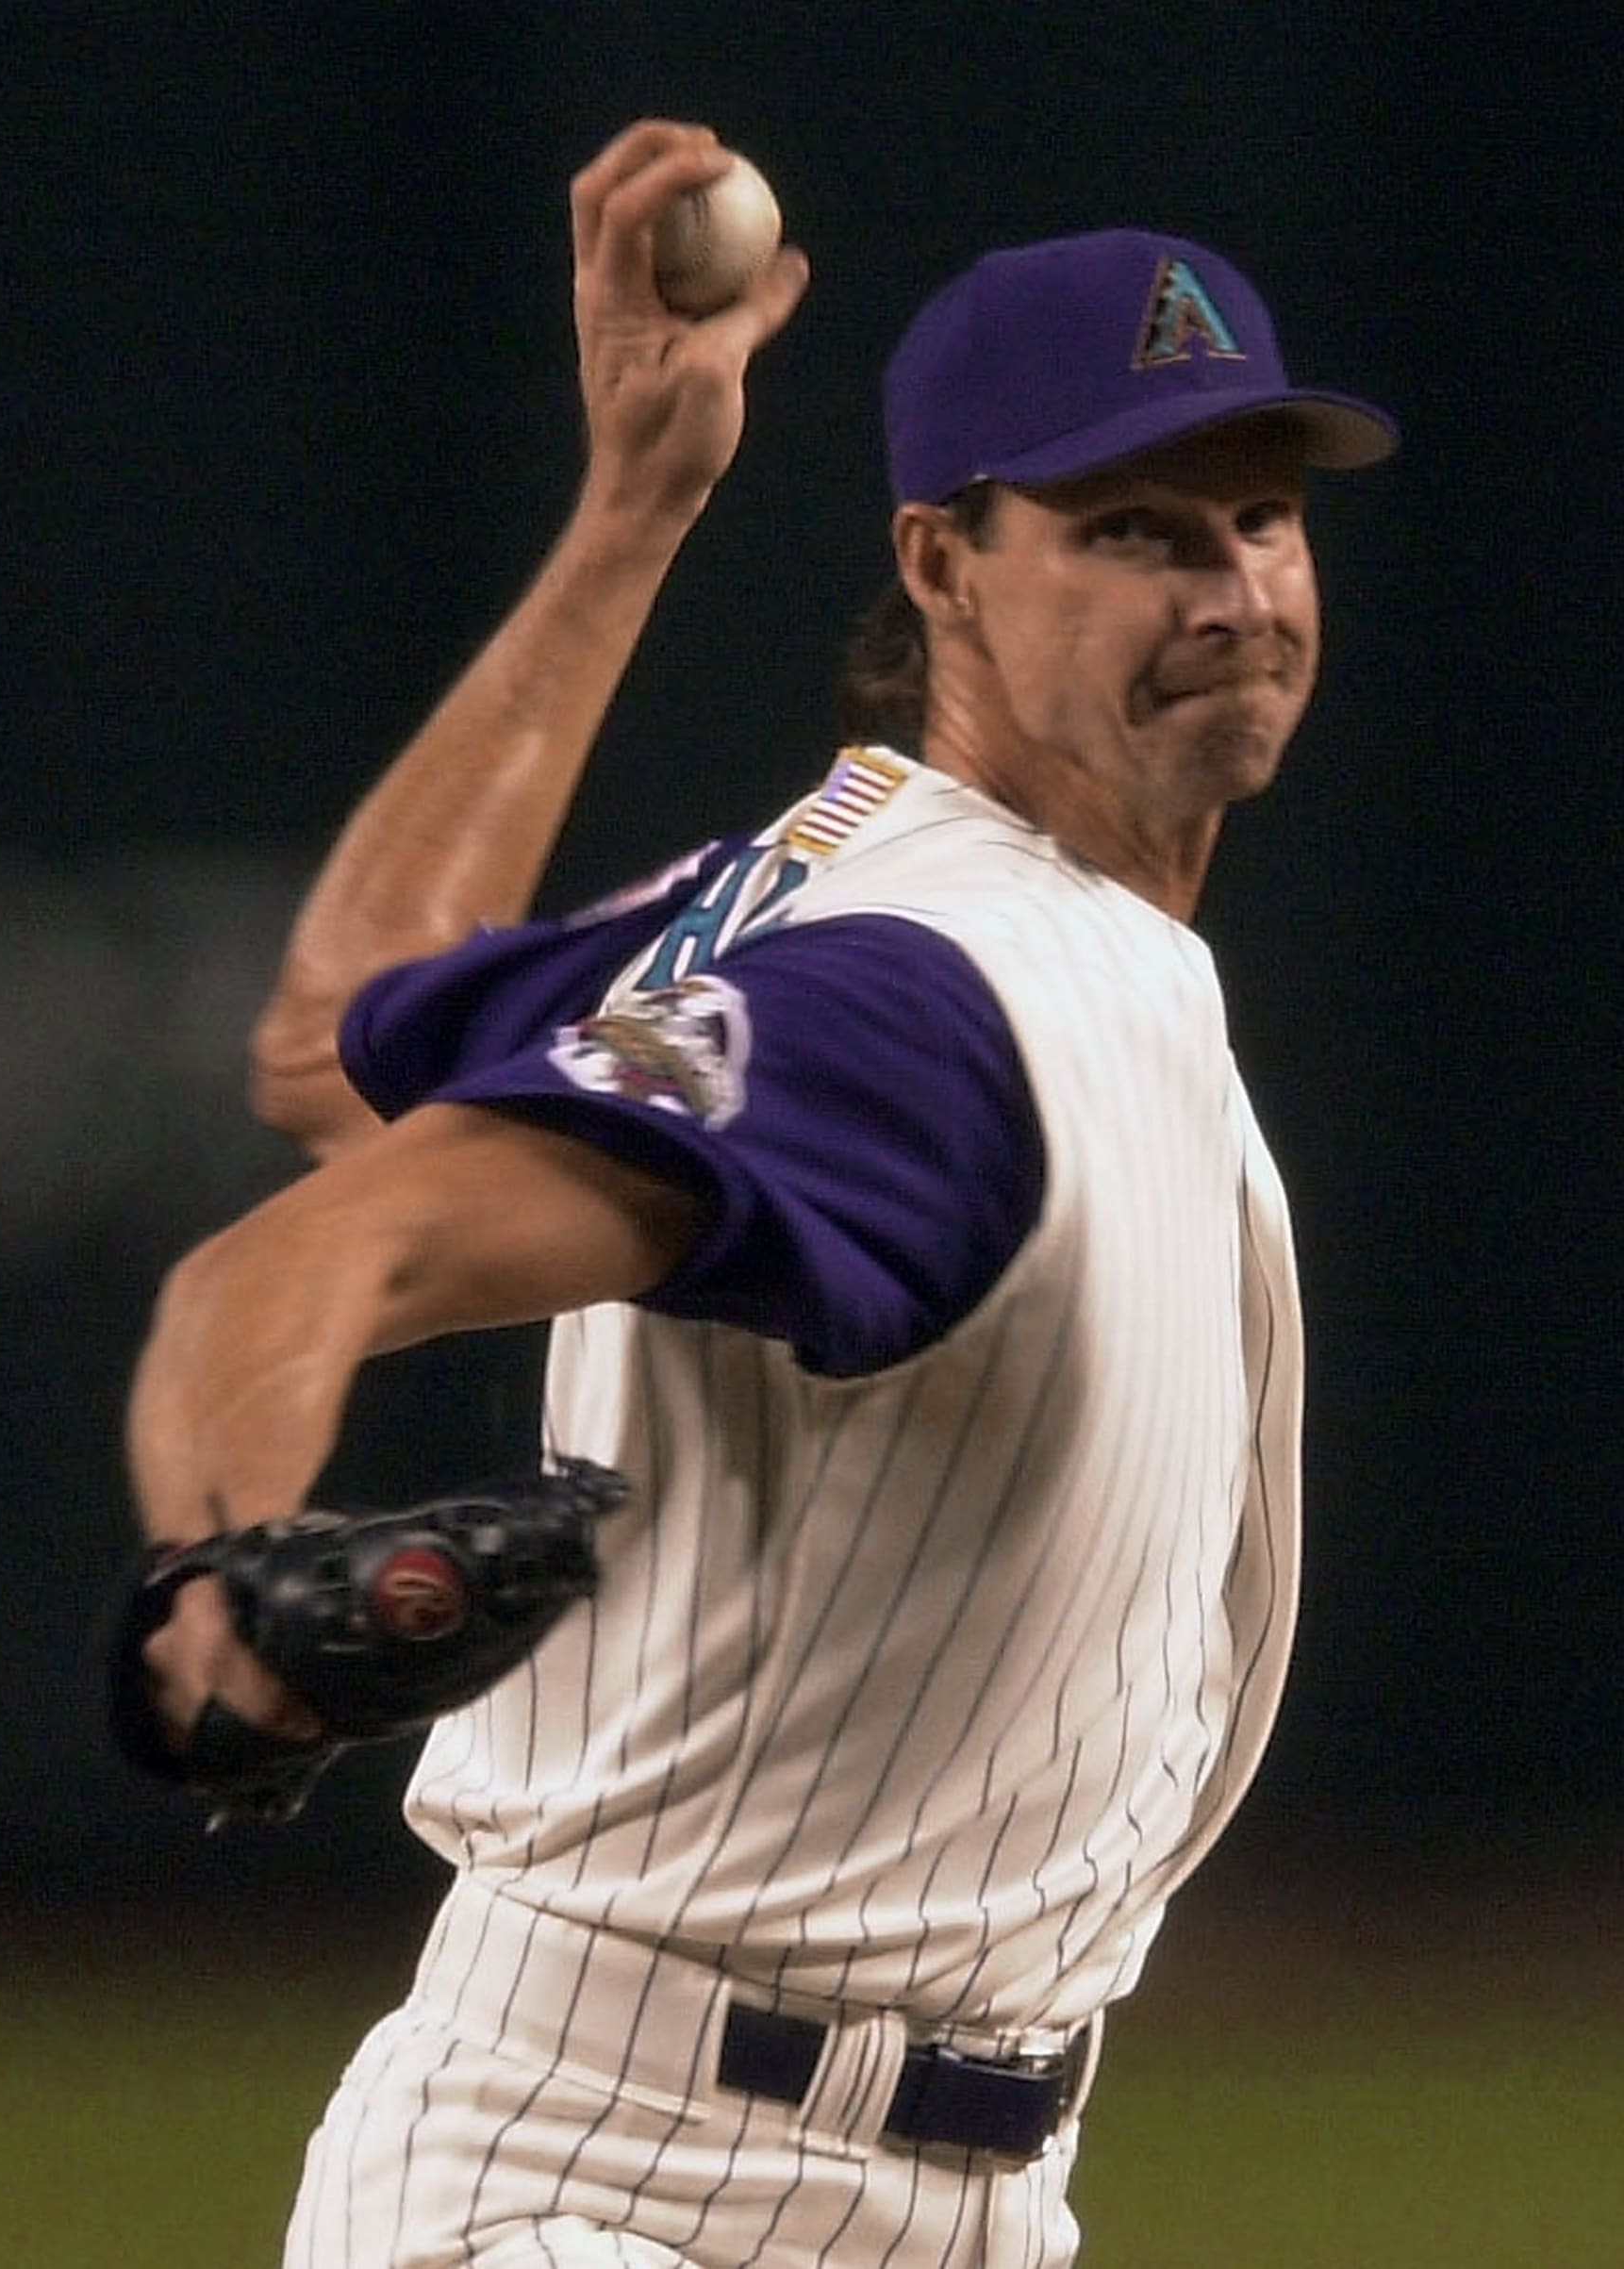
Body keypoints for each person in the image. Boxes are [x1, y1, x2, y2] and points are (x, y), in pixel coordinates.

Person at [129, 118, 1396, 2269]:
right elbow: (311, 1246)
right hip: (625, 2187)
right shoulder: (930, 996)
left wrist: (633, 511)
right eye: (1133, 528)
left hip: (923, 2191)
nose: (1232, 591)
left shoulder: (831, 884)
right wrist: (218, 1574)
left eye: (1263, 520)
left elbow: (336, 1022)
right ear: (940, 563)